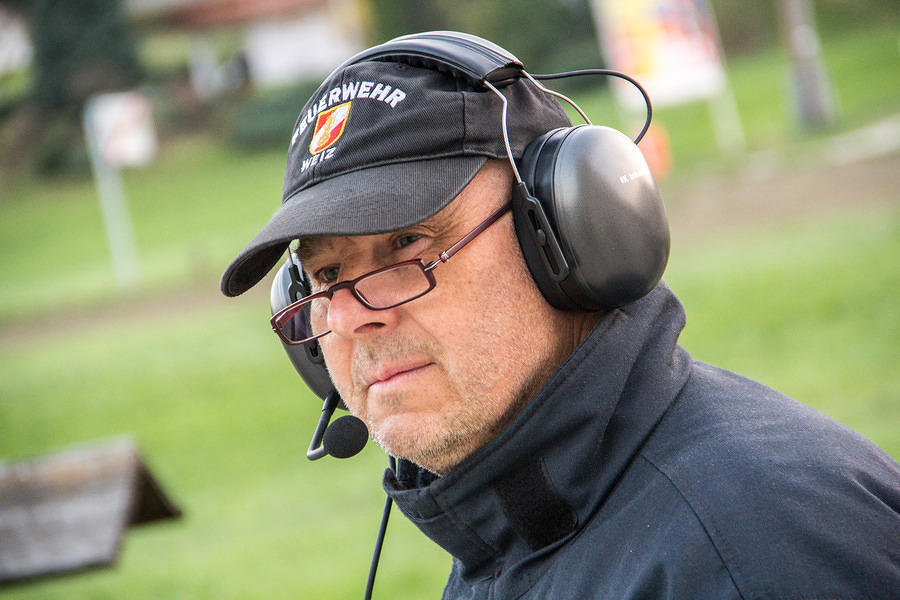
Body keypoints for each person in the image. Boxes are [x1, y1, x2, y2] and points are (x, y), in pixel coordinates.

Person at [221, 32, 900, 599]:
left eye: (407, 243)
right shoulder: (505, 536)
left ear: (565, 229)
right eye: (327, 276)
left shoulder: (754, 549)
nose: (349, 318)